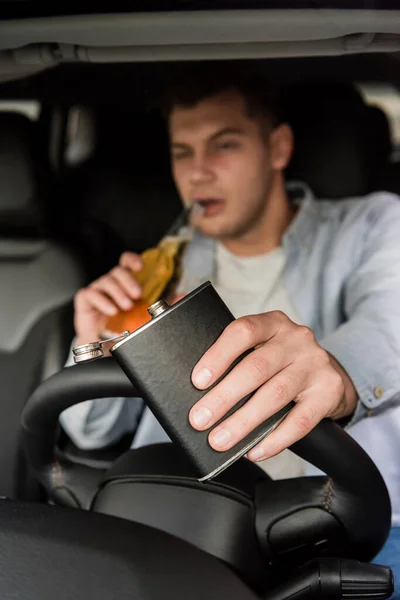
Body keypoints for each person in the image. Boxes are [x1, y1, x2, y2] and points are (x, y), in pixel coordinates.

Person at [61, 66, 400, 515]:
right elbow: (93, 431)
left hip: (340, 524)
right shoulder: (163, 267)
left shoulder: (371, 225)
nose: (198, 173)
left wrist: (336, 372)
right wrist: (97, 343)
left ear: (278, 148)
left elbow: (389, 322)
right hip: (181, 517)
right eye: (182, 152)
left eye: (224, 145)